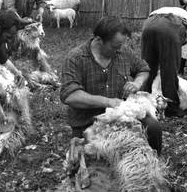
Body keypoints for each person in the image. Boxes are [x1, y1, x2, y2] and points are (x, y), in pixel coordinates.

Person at [60, 17, 163, 155]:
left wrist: (137, 83)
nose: (119, 49)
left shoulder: (123, 52)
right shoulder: (76, 58)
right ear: (98, 40)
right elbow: (70, 96)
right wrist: (108, 102)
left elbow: (143, 69)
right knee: (92, 161)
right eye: (115, 46)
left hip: (121, 118)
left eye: (120, 45)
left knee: (153, 128)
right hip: (88, 122)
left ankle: (153, 163)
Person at [141, 7, 187, 117]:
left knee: (147, 67)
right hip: (171, 26)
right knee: (169, 70)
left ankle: (145, 103)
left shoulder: (164, 10)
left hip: (148, 25)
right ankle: (172, 108)